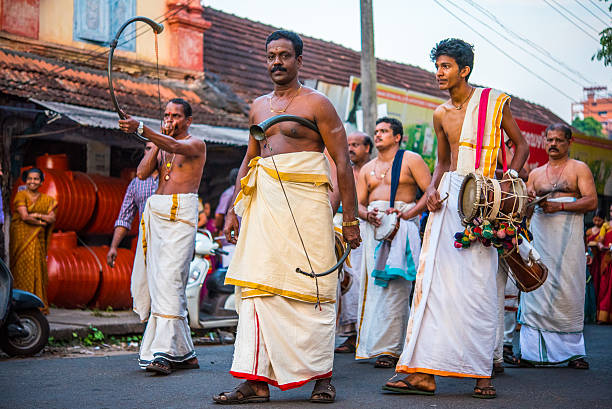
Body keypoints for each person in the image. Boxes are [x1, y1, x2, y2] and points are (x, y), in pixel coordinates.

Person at [213, 30, 360, 404]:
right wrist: (233, 209)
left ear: (299, 60)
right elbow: (251, 157)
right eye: (270, 56)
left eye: (284, 56)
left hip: (308, 205)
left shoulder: (318, 104)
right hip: (264, 206)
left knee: (315, 290)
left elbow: (342, 162)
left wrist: (351, 219)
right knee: (259, 289)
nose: (276, 62)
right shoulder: (258, 106)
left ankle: (321, 378)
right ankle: (255, 381)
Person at [383, 38, 529, 399]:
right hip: (450, 201)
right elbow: (443, 164)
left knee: (478, 288)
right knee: (435, 286)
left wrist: (505, 187)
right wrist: (431, 190)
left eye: (445, 66)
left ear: (464, 70)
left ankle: (482, 374)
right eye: (437, 66)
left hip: (485, 201)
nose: (439, 73)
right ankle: (423, 373)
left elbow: (521, 146)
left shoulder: (495, 102)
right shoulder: (439, 114)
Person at [118, 98, 207, 375]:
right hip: (157, 215)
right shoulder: (162, 146)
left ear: (188, 120)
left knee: (170, 281)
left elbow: (178, 146)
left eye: (176, 116)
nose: (170, 120)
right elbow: (142, 174)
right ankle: (186, 354)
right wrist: (155, 141)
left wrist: (143, 129)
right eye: (167, 115)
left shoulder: (196, 143)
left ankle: (163, 353)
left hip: (180, 217)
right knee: (160, 285)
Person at [518, 123, 597, 369]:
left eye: (558, 140)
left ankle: (573, 353)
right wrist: (528, 202)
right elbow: (525, 208)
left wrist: (560, 206)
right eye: (549, 140)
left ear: (569, 142)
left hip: (569, 241)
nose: (553, 144)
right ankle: (532, 353)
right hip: (541, 238)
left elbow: (592, 201)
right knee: (536, 288)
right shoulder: (536, 174)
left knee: (569, 291)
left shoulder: (579, 169)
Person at [354, 117, 431, 368]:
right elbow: (358, 203)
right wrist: (366, 215)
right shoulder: (368, 168)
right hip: (373, 230)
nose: (378, 136)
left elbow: (431, 191)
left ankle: (392, 349)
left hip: (401, 227)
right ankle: (373, 345)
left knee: (396, 289)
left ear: (397, 137)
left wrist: (410, 213)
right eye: (376, 132)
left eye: (384, 131)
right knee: (373, 287)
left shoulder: (411, 159)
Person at [334, 131, 373, 354]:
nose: (350, 149)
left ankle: (365, 333)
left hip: (364, 228)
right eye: (348, 144)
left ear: (367, 148)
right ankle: (349, 334)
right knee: (346, 279)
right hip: (340, 227)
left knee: (363, 279)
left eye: (356, 144)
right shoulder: (340, 168)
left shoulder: (374, 169)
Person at [9, 168, 57, 314]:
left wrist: (35, 216)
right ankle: (19, 304)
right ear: (25, 180)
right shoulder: (20, 196)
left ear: (41, 182)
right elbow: (24, 216)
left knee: (38, 269)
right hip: (21, 239)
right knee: (22, 268)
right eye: (30, 178)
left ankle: (37, 303)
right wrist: (41, 219)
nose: (33, 182)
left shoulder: (47, 200)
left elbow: (52, 218)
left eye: (36, 179)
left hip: (38, 239)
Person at [106, 143, 158, 267]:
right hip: (144, 244)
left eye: (157, 148)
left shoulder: (172, 180)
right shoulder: (136, 183)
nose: (151, 152)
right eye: (148, 148)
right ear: (144, 152)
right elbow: (124, 218)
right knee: (141, 285)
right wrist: (114, 246)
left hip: (168, 244)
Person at [596, 204, 612, 323]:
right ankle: (603, 317)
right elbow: (600, 241)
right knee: (605, 287)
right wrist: (601, 246)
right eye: (611, 211)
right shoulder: (606, 226)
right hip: (607, 259)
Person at [214, 168, 239, 233]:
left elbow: (219, 215)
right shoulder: (247, 192)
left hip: (231, 233)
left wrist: (217, 229)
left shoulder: (228, 193)